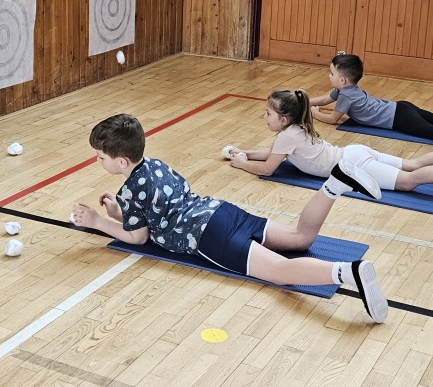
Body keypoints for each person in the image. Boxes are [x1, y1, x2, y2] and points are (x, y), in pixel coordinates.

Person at [71, 113, 390, 323]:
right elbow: (157, 208)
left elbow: (138, 237)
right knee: (300, 238)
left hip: (210, 237)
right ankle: (335, 184)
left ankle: (348, 272)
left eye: (101, 157)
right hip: (222, 211)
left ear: (121, 161)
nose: (99, 162)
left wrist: (98, 222)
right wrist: (120, 212)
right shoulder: (155, 164)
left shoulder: (130, 190)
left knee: (280, 272)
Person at [226, 90, 433, 207]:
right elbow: (272, 155)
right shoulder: (295, 129)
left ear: (283, 120)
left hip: (352, 165)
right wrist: (244, 152)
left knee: (408, 181)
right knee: (412, 164)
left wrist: (242, 164)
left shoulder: (287, 137)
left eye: (268, 113)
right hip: (355, 152)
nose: (264, 117)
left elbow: (269, 168)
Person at [309, 53, 433, 156]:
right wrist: (305, 101)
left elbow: (333, 119)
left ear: (342, 80)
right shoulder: (344, 90)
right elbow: (326, 99)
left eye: (331, 73)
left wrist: (314, 113)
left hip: (398, 119)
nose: (329, 76)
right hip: (401, 107)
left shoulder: (346, 96)